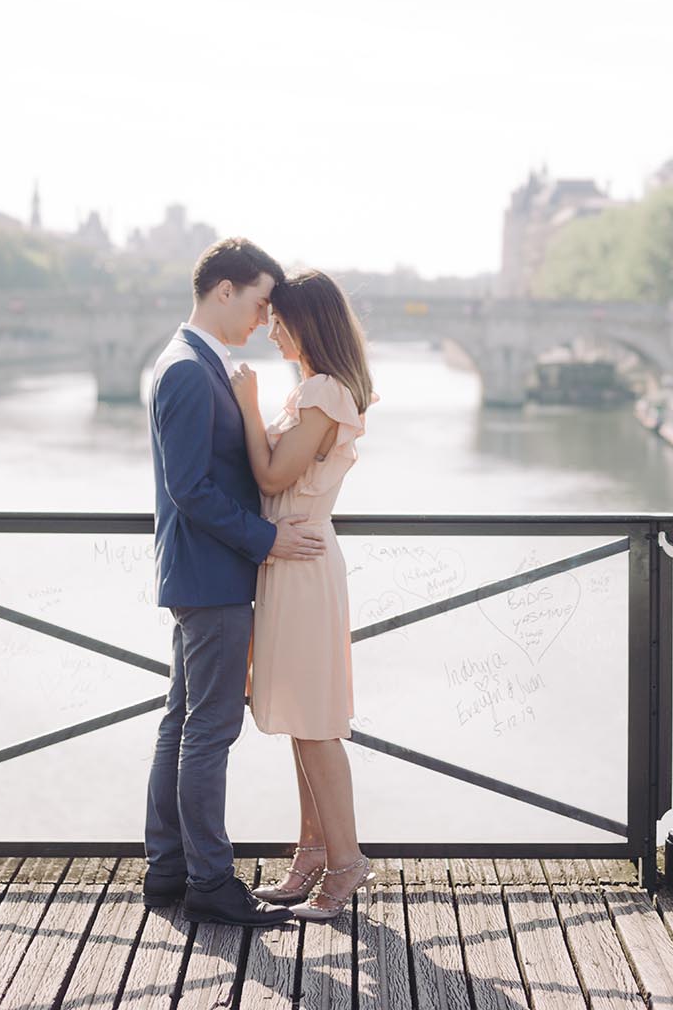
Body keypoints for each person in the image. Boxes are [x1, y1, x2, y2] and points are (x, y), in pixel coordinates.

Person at [143, 238, 328, 928]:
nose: (262, 318)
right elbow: (191, 488)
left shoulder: (192, 363)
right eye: (258, 301)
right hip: (213, 573)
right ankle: (210, 882)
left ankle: (168, 870)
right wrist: (270, 538)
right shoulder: (191, 371)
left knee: (182, 726)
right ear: (225, 290)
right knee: (209, 732)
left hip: (200, 571)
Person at [230, 269, 376, 921]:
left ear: (306, 322)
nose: (272, 330)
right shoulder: (316, 392)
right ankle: (311, 853)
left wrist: (244, 402)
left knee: (315, 724)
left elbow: (272, 473)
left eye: (280, 320)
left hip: (304, 559)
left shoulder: (323, 391)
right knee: (299, 717)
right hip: (292, 557)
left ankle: (346, 865)